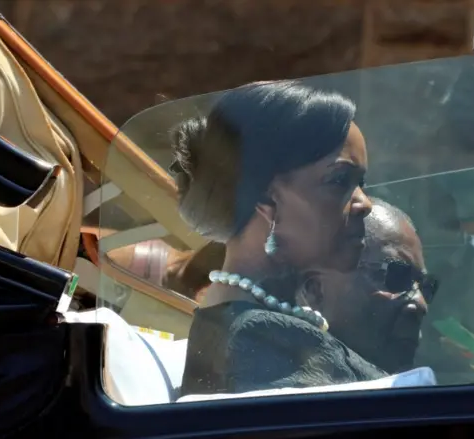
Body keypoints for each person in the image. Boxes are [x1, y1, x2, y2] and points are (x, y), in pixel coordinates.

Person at [169, 80, 387, 396]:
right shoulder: (257, 337)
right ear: (265, 200)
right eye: (339, 180)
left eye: (361, 182)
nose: (365, 204)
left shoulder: (255, 319)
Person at [297, 197, 436, 374]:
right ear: (315, 291)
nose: (421, 304)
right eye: (395, 276)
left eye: (426, 287)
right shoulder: (275, 388)